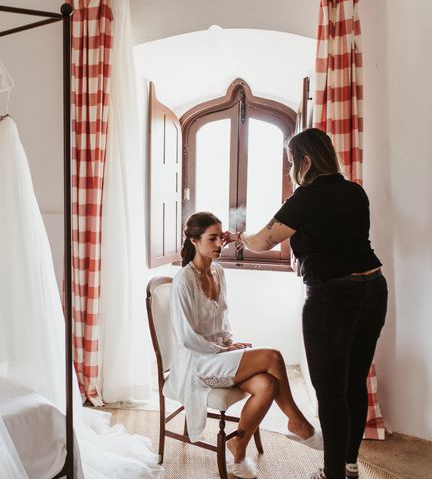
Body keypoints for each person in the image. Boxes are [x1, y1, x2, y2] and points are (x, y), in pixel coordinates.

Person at [222, 128, 388, 479]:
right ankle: (348, 464)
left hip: (333, 297)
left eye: (291, 163)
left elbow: (266, 239)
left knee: (331, 392)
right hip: (374, 289)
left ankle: (333, 475)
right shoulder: (355, 191)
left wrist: (239, 236)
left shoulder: (306, 196)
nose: (289, 170)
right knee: (354, 383)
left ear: (306, 160)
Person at [164, 211, 321, 479]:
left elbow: (221, 320)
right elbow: (186, 337)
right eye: (211, 239)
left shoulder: (218, 272)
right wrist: (223, 350)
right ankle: (298, 422)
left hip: (218, 354)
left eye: (220, 239)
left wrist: (230, 343)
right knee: (272, 356)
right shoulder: (183, 281)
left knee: (268, 385)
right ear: (194, 240)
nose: (218, 245)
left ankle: (237, 449)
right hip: (197, 362)